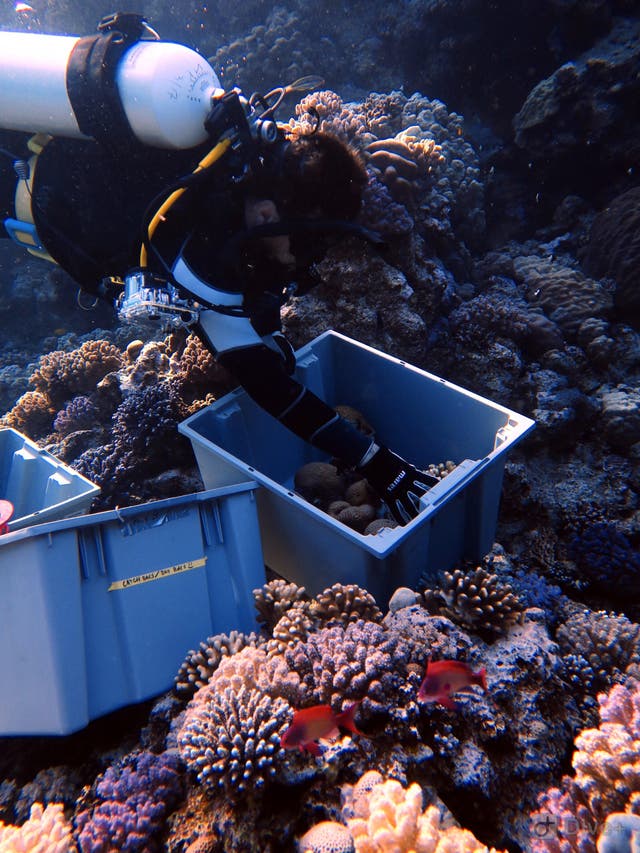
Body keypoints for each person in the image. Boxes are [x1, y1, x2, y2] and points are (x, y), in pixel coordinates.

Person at [0, 27, 437, 525]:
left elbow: (257, 295)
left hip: (42, 159)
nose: (309, 260)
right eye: (311, 242)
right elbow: (266, 385)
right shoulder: (199, 245)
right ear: (271, 216)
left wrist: (272, 329)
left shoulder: (228, 158)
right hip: (16, 182)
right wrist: (372, 460)